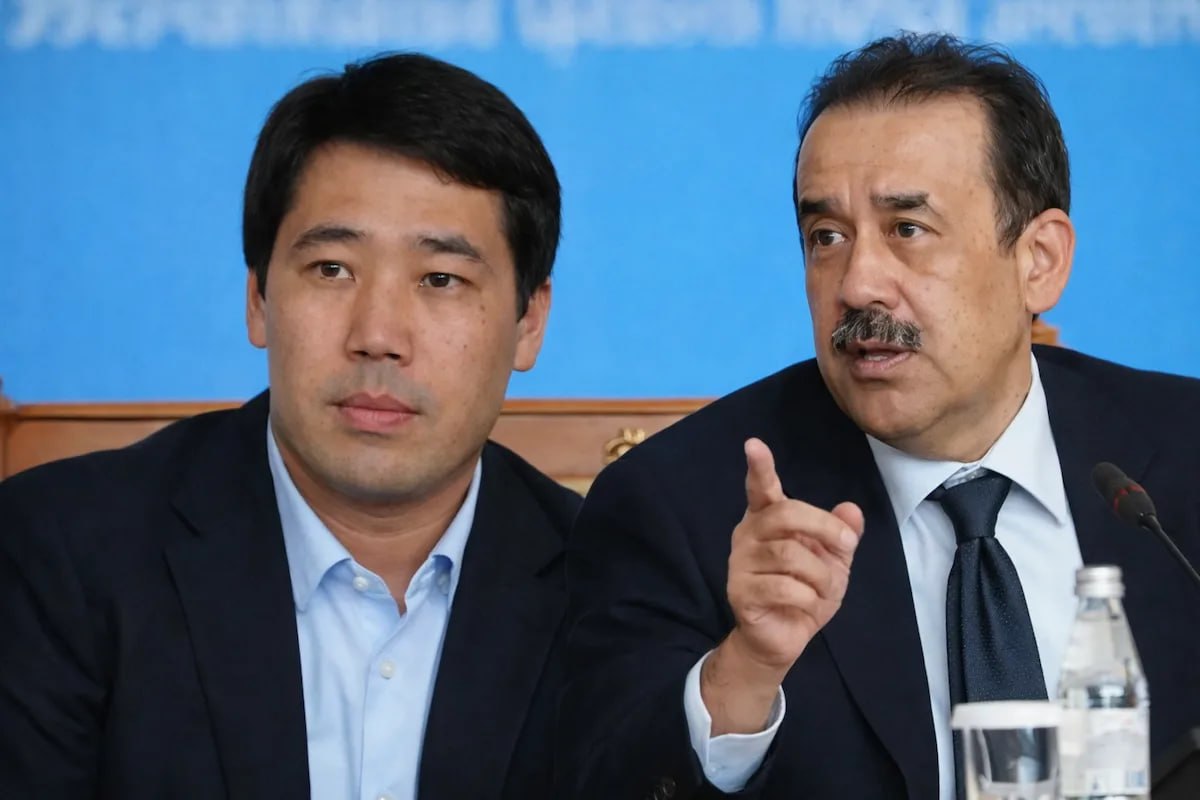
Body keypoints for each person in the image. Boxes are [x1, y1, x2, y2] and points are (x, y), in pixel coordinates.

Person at [559, 33, 1200, 800]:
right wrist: (744, 672)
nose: (858, 283)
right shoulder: (682, 506)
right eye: (826, 237)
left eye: (907, 230)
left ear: (1040, 260)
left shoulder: (1183, 454)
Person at [0, 52, 579, 800]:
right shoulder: (61, 554)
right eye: (332, 269)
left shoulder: (603, 577)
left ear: (529, 322)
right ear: (258, 300)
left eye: (441, 279)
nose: (378, 335)